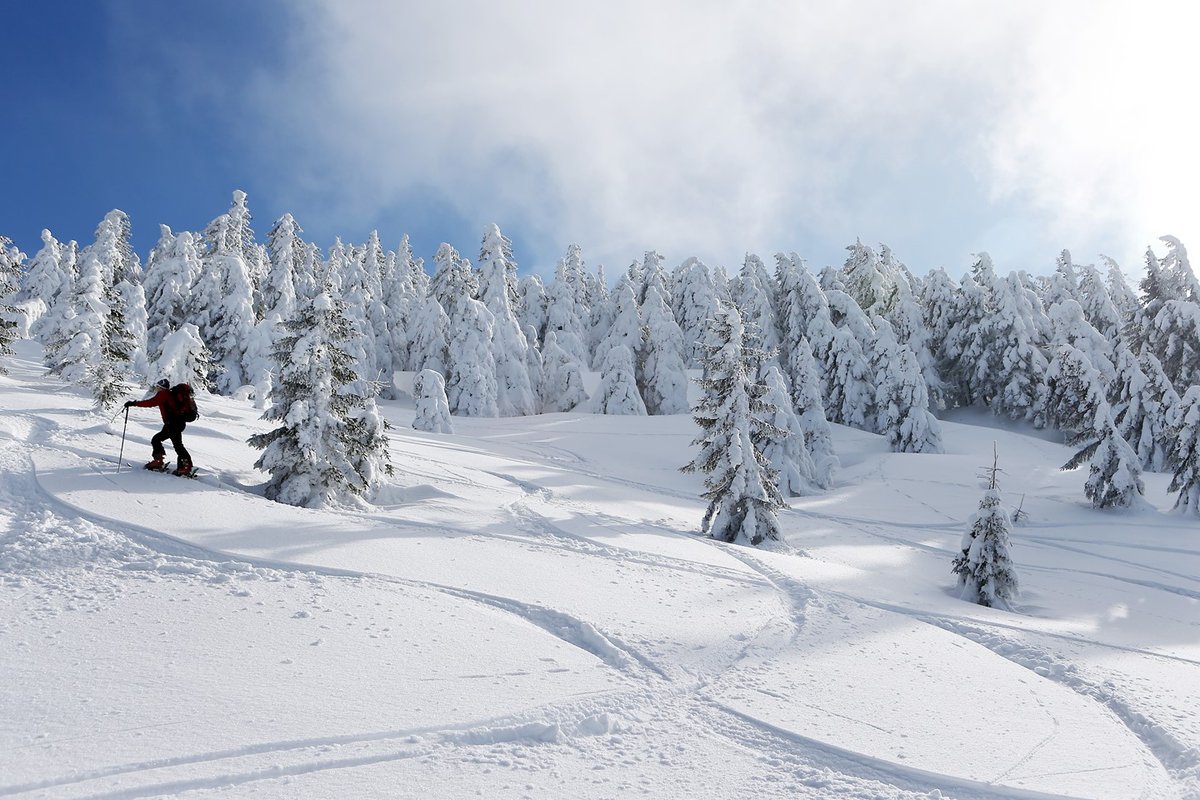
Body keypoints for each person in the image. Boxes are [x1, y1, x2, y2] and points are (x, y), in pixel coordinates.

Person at [125, 379, 193, 475]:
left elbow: (151, 403)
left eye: (157, 386)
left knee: (164, 442)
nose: (156, 388)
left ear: (161, 387)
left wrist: (134, 403)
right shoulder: (169, 394)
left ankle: (178, 465)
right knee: (168, 442)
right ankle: (182, 465)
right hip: (176, 423)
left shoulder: (163, 394)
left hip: (173, 424)